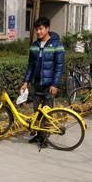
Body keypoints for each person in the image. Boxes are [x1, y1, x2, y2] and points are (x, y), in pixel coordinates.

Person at [20, 16, 65, 147]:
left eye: (40, 29)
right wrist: (26, 81)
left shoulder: (57, 45)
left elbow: (59, 66)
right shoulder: (34, 45)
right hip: (36, 84)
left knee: (47, 112)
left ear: (47, 28)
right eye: (36, 29)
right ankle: (39, 135)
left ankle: (45, 138)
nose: (38, 32)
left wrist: (55, 84)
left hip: (48, 85)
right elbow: (30, 65)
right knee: (37, 111)